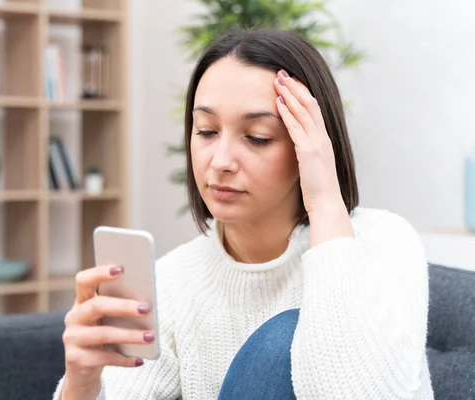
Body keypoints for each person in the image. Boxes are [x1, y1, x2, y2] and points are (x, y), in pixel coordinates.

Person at [53, 28, 434, 400]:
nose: (220, 162)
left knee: (280, 341)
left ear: (311, 145)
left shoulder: (385, 244)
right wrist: (80, 386)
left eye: (257, 137)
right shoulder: (172, 283)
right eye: (206, 131)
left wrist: (326, 203)